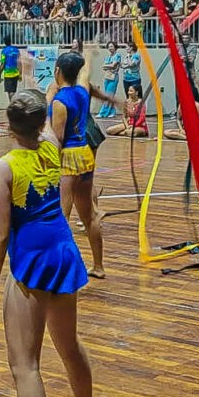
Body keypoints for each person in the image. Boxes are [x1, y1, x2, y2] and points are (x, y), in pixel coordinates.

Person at [0, 89, 95, 397]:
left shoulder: (3, 168)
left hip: (32, 261)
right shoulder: (52, 146)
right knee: (68, 343)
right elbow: (45, 122)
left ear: (8, 126)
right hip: (63, 250)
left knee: (25, 365)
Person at [49, 50, 122, 279]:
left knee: (62, 215)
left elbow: (58, 138)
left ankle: (61, 269)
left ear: (57, 71)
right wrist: (89, 55)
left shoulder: (60, 101)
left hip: (69, 158)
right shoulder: (82, 92)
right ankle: (98, 265)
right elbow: (86, 75)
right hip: (85, 155)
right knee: (88, 214)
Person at [98, 42, 122, 119]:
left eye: (111, 46)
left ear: (115, 47)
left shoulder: (117, 55)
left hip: (113, 77)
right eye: (109, 46)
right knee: (107, 95)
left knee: (109, 95)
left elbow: (113, 65)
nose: (110, 48)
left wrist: (107, 66)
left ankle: (102, 113)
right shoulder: (108, 57)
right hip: (107, 76)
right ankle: (112, 112)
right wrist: (108, 66)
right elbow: (103, 67)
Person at [0, 37, 23, 104]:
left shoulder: (4, 51)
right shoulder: (16, 50)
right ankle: (12, 104)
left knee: (10, 92)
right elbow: (19, 63)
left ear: (4, 42)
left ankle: (12, 105)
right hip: (15, 73)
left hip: (8, 74)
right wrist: (20, 74)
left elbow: (3, 63)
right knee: (13, 91)